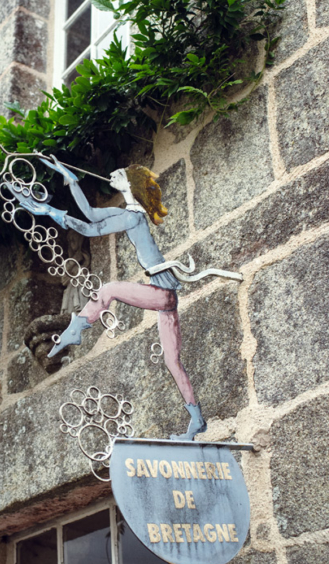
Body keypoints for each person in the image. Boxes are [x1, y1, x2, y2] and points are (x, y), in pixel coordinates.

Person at [11, 155, 206, 441]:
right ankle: (197, 421)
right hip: (167, 297)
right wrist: (70, 180)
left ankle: (74, 331)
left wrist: (48, 209)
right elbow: (90, 215)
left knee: (109, 289)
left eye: (119, 174)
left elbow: (88, 228)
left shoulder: (132, 216)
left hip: (163, 293)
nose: (112, 174)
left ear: (129, 184)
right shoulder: (128, 212)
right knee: (172, 362)